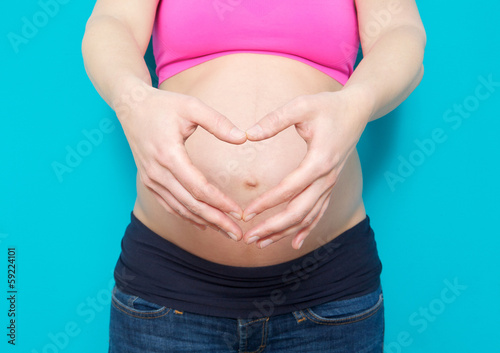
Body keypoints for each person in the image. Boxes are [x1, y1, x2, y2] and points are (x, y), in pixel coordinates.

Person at [82, 0, 426, 351]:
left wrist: (357, 101)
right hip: (168, 287)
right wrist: (133, 100)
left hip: (328, 290)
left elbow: (399, 31)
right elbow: (113, 22)